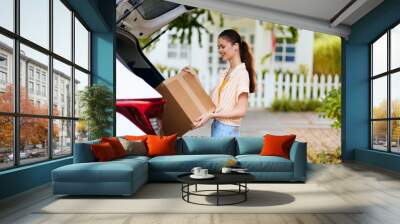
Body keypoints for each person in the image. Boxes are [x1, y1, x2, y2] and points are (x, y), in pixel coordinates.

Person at [182, 29, 256, 137]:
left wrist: (212, 115)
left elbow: (241, 111)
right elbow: (211, 101)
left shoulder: (242, 74)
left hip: (227, 131)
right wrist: (195, 78)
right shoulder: (225, 73)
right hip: (217, 127)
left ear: (235, 46)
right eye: (218, 47)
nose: (220, 50)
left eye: (223, 46)